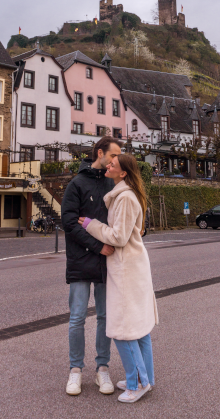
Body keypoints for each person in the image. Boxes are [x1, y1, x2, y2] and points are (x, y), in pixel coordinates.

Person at [79, 154, 158, 404]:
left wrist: (91, 225)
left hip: (125, 270)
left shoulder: (124, 197)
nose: (108, 165)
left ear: (123, 173)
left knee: (123, 330)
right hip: (132, 267)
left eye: (113, 164)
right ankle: (146, 377)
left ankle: (138, 384)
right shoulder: (128, 194)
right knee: (139, 329)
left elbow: (119, 237)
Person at [62, 136, 123, 396]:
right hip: (81, 257)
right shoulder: (77, 183)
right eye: (113, 155)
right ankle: (75, 371)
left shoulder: (115, 183)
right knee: (77, 318)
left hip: (105, 260)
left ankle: (102, 369)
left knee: (104, 317)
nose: (116, 160)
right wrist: (98, 245)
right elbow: (69, 221)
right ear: (100, 153)